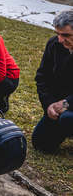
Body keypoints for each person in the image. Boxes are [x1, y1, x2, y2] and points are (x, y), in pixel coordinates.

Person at [32, 10, 73, 153]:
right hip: (58, 104)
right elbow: (42, 77)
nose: (60, 39)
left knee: (67, 119)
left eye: (66, 35)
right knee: (41, 144)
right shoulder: (54, 44)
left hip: (68, 106)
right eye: (58, 34)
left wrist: (66, 103)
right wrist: (49, 104)